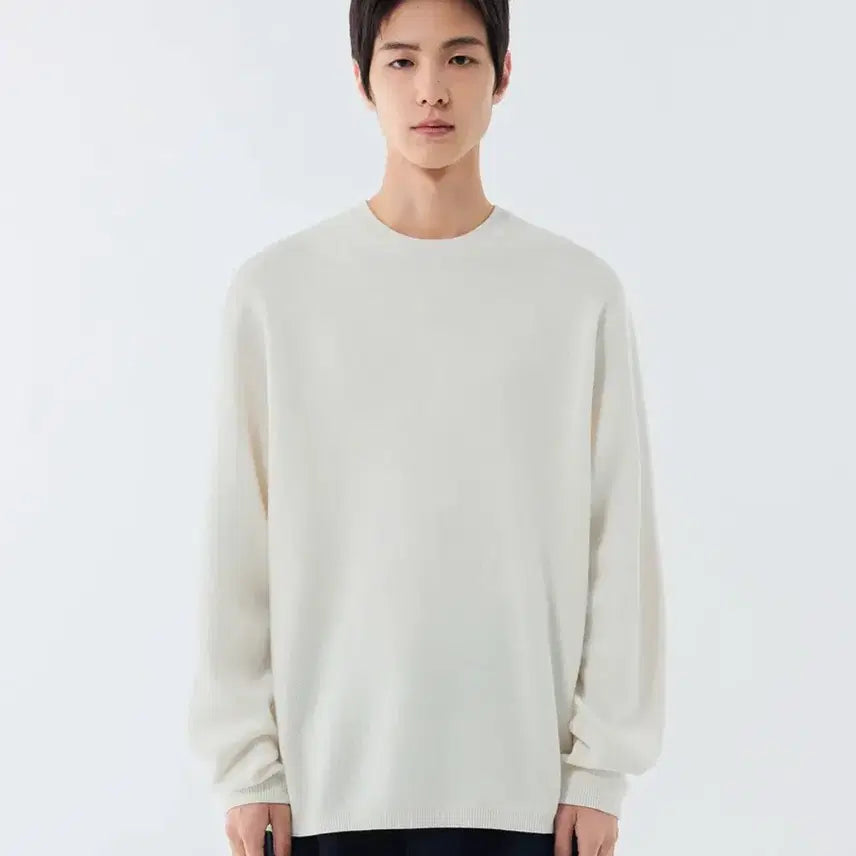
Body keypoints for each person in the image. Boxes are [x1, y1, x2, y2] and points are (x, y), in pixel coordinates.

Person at [186, 1, 667, 854]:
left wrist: (600, 771)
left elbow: (617, 539)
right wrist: (248, 767)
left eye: (461, 59)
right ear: (363, 81)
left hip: (523, 791)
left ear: (503, 74)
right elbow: (239, 543)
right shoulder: (278, 294)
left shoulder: (574, 295)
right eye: (402, 61)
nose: (432, 90)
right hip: (328, 788)